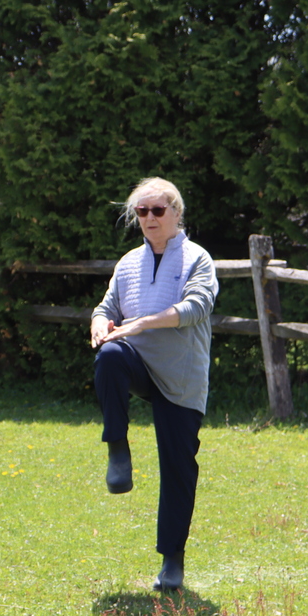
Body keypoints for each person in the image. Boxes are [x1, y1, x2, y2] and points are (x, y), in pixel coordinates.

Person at [90, 177, 218, 591]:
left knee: (179, 469)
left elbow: (197, 306)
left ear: (176, 213)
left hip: (181, 377)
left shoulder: (197, 259)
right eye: (141, 212)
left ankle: (172, 562)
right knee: (108, 355)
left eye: (158, 210)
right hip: (138, 364)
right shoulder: (127, 263)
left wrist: (142, 322)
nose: (149, 218)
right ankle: (118, 450)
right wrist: (98, 323)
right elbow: (107, 305)